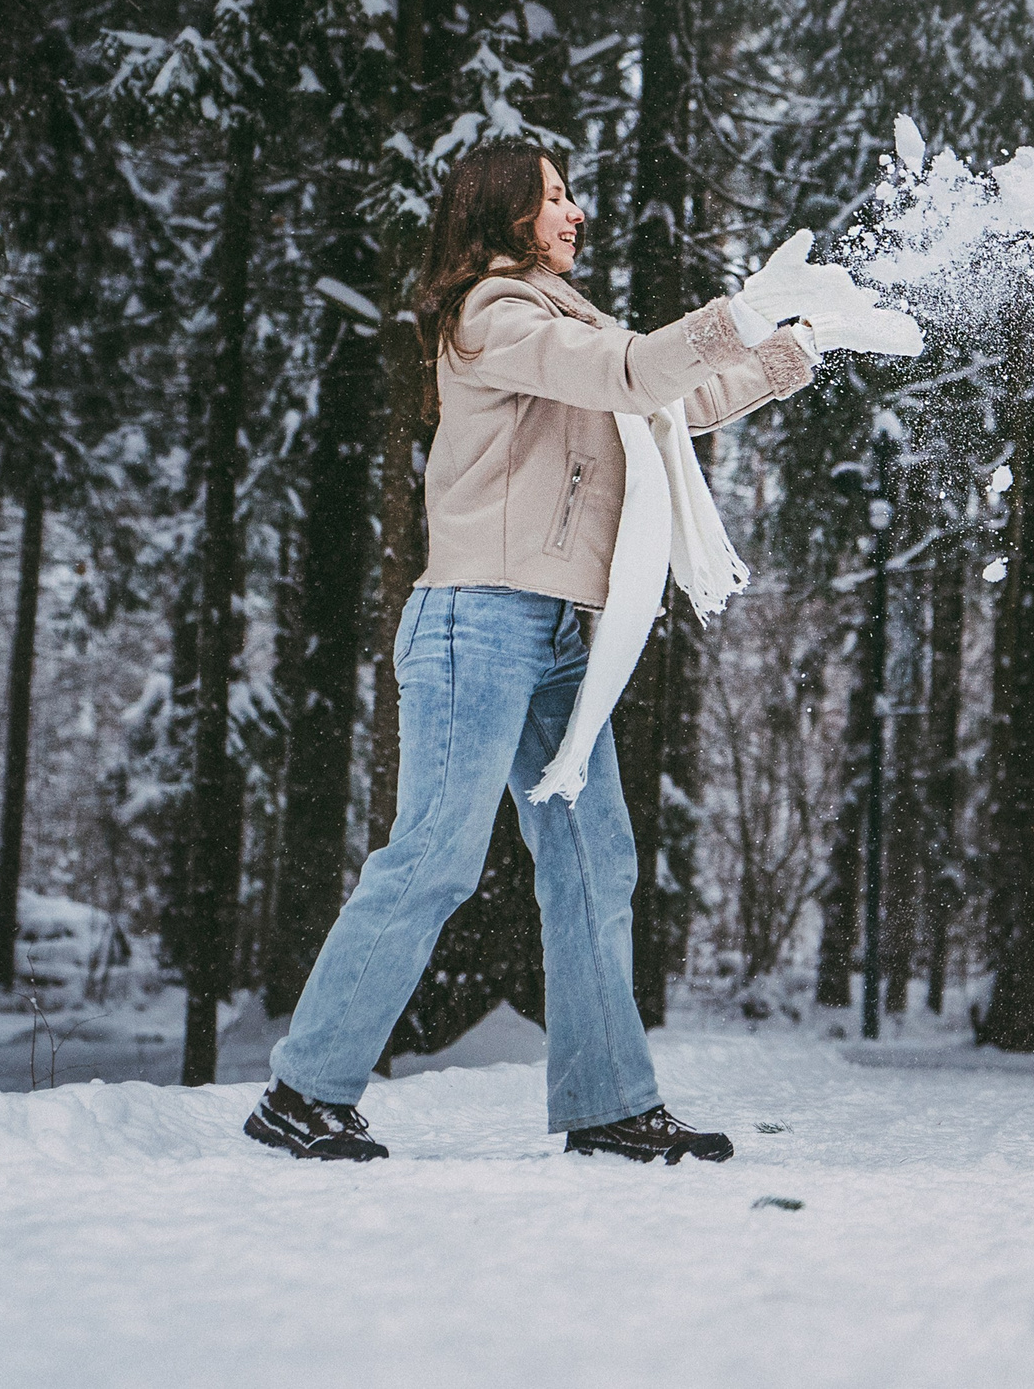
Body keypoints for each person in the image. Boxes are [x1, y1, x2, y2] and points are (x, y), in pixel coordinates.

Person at [246, 137, 917, 1163]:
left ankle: (607, 1102)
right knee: (433, 857)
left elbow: (666, 398)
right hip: (481, 619)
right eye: (555, 198)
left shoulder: (569, 319)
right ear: (504, 213)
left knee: (592, 858)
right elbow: (628, 372)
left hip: (562, 631)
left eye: (570, 195)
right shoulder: (494, 318)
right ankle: (305, 1090)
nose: (575, 213)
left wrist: (800, 346)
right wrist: (736, 313)